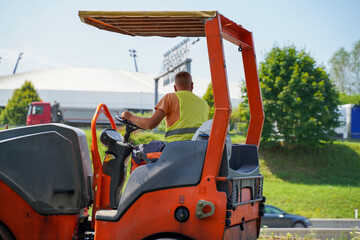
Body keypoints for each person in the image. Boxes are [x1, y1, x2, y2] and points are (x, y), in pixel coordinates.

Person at [121, 71, 209, 142]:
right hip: (197, 152)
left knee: (138, 153)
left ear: (175, 88)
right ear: (192, 85)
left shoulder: (170, 98)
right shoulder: (204, 104)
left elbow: (150, 124)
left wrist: (130, 117)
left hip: (174, 151)